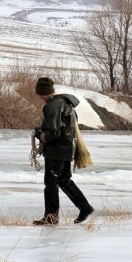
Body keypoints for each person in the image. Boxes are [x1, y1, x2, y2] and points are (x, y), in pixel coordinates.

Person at [32, 77, 94, 226]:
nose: (40, 98)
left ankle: (51, 217)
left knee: (51, 184)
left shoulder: (53, 106)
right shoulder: (66, 103)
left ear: (44, 93)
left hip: (56, 151)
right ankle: (85, 207)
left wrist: (40, 135)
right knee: (64, 180)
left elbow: (54, 132)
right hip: (67, 150)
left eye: (40, 95)